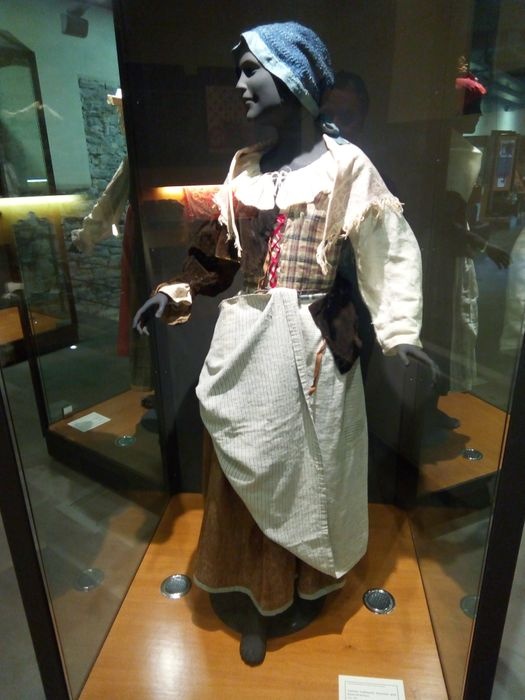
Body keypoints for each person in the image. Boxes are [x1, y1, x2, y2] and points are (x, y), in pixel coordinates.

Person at [134, 21, 434, 666]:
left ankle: (298, 586)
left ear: (293, 75)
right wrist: (174, 293)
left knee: (309, 467)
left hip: (316, 337)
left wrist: (400, 332)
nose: (240, 85)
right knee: (245, 462)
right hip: (245, 341)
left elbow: (386, 250)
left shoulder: (345, 164)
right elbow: (217, 254)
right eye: (239, 72)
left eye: (252, 70)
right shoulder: (244, 168)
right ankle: (254, 594)